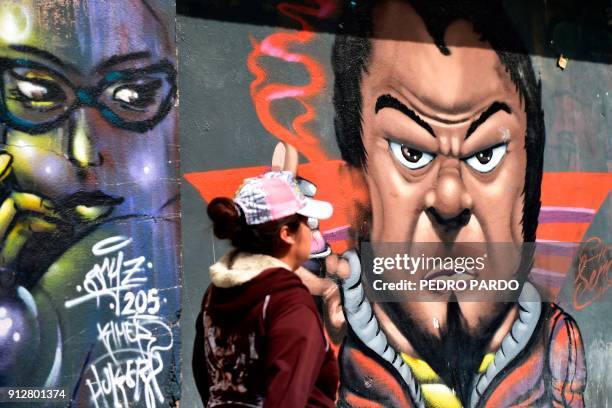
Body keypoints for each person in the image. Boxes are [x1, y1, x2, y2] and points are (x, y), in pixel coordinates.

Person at [324, 0, 586, 406]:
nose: (449, 199)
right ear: (354, 193)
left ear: (528, 185)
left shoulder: (557, 355)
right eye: (411, 153)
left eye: (486, 155)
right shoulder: (328, 352)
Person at [192, 171, 339, 407]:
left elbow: (203, 374)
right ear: (287, 233)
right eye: (307, 223)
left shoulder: (214, 294)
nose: (311, 232)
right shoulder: (289, 303)